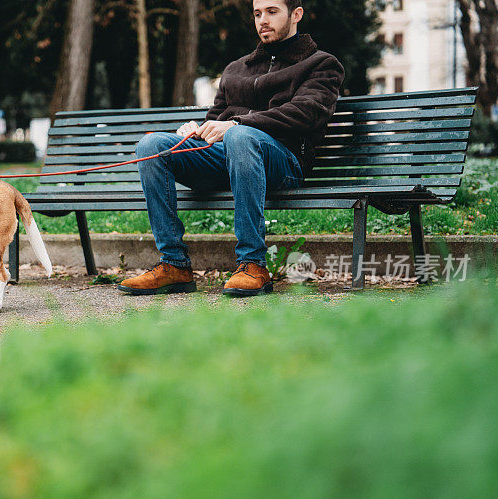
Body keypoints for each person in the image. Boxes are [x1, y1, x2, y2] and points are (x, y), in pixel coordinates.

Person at [119, 0, 344, 296]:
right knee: (153, 145)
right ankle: (174, 265)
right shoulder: (237, 69)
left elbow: (307, 112)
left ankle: (252, 264)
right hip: (228, 160)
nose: (263, 20)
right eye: (257, 13)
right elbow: (215, 120)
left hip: (284, 163)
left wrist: (238, 124)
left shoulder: (321, 64)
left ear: (296, 14)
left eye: (272, 12)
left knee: (241, 136)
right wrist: (195, 133)